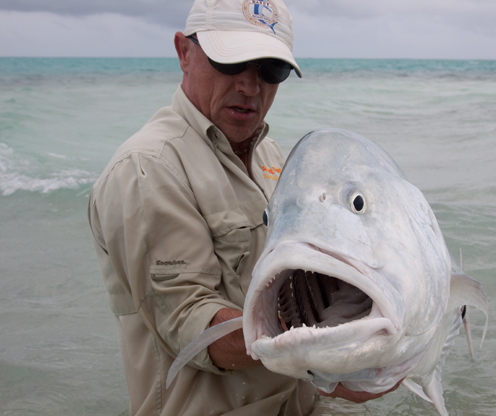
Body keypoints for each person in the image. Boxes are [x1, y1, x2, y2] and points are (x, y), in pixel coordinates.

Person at [88, 0, 400, 414]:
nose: (251, 87)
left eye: (271, 70)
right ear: (184, 53)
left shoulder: (270, 155)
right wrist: (323, 359)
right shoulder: (147, 169)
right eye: (231, 62)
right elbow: (190, 323)